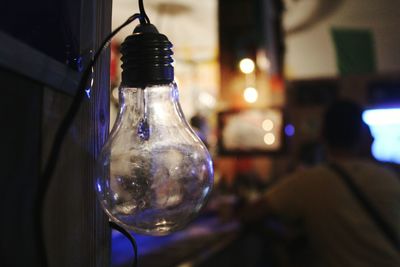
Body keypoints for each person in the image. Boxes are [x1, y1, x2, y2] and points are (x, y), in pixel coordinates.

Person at [243, 99, 400, 267]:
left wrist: (288, 239)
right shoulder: (389, 175)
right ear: (364, 135)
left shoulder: (308, 182)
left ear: (321, 136)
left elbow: (248, 214)